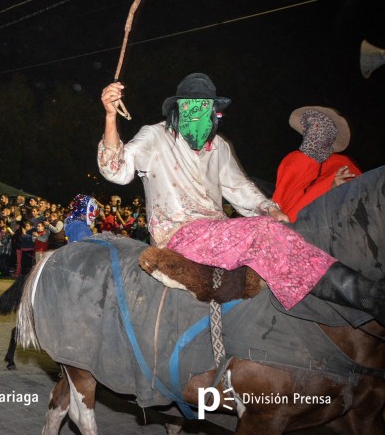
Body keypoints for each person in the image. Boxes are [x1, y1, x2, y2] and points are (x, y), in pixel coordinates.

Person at [98, 72, 384, 323]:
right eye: (192, 108)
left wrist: (270, 208)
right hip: (179, 233)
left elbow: (239, 188)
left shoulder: (219, 146)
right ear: (178, 109)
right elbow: (116, 170)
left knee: (289, 231)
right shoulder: (154, 136)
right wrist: (111, 116)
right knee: (263, 233)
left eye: (206, 109)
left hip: (217, 230)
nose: (199, 115)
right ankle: (367, 295)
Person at [272, 106, 362, 223]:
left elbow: (358, 197)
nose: (312, 129)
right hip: (282, 225)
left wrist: (332, 186)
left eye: (319, 126)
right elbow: (279, 198)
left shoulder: (341, 164)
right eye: (309, 125)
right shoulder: (293, 158)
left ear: (330, 134)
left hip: (320, 227)